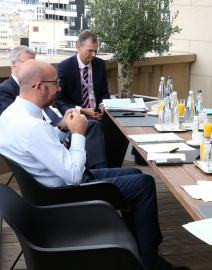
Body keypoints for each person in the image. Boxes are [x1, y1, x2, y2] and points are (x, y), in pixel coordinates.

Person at [0, 60, 187, 270]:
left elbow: (39, 147)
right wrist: (78, 133)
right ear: (39, 86)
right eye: (56, 83)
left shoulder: (12, 116)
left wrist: (62, 128)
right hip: (66, 195)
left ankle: (140, 251)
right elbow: (73, 175)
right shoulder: (33, 127)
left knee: (134, 173)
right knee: (143, 184)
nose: (60, 88)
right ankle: (151, 262)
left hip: (46, 190)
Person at [0, 45, 107, 169]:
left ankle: (100, 171)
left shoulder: (41, 83)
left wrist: (65, 122)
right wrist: (55, 132)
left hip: (58, 125)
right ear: (13, 63)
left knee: (98, 126)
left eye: (34, 62)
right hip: (43, 138)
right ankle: (99, 177)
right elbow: (19, 126)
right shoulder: (6, 91)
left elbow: (57, 103)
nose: (32, 66)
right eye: (27, 62)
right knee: (91, 129)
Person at [56, 30, 110, 119]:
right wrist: (83, 110)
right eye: (90, 51)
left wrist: (102, 106)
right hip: (76, 115)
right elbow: (59, 100)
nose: (93, 55)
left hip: (98, 113)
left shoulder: (100, 64)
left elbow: (104, 92)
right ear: (78, 47)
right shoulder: (64, 67)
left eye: (96, 51)